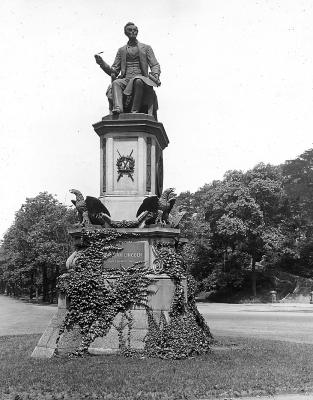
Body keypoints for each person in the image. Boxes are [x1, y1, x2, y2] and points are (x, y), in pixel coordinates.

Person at [95, 22, 161, 115]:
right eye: (130, 30)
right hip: (126, 79)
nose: (133, 32)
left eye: (135, 30)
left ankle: (134, 111)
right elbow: (114, 71)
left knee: (138, 81)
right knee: (116, 83)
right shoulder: (121, 50)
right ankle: (118, 108)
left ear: (137, 32)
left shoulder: (146, 48)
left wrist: (155, 74)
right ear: (126, 33)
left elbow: (155, 65)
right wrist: (102, 64)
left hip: (141, 78)